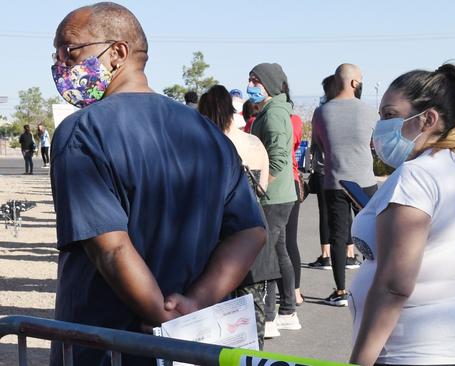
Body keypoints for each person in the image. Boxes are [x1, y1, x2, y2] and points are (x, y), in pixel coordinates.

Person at [49, 3, 266, 365]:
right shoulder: (208, 134)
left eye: (68, 50)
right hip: (194, 342)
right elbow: (250, 232)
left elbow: (111, 248)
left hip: (107, 345)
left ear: (118, 52)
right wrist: (195, 304)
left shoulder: (81, 132)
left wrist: (161, 316)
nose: (60, 64)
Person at [349, 64, 455, 366]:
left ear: (429, 119)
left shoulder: (417, 176)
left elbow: (394, 285)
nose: (380, 126)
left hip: (419, 351)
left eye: (389, 115)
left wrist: (360, 361)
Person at [198, 84, 279, 349]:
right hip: (255, 235)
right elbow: (263, 188)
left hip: (217, 242)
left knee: (216, 328)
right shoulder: (254, 142)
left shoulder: (206, 145)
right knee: (251, 329)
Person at [311, 63, 377, 306]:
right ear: (353, 83)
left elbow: (319, 144)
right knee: (373, 234)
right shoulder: (369, 111)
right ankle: (375, 286)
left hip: (335, 182)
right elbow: (375, 144)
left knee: (338, 236)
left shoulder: (321, 113)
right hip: (365, 182)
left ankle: (340, 291)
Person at [247, 62, 301, 337]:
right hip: (278, 197)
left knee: (266, 258)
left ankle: (269, 318)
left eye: (256, 81)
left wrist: (258, 188)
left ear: (269, 83)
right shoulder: (271, 112)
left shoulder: (274, 115)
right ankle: (288, 310)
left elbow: (278, 159)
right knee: (279, 254)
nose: (251, 86)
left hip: (272, 199)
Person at [308, 74, 356, 270]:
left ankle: (327, 254)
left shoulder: (322, 112)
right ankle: (350, 253)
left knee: (326, 214)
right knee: (347, 214)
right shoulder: (353, 112)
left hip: (325, 170)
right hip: (349, 169)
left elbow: (316, 144)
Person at [286, 113, 304, 305]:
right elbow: (296, 144)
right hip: (293, 179)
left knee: (276, 243)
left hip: (272, 182)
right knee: (290, 241)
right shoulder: (296, 120)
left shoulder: (256, 119)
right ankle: (296, 292)